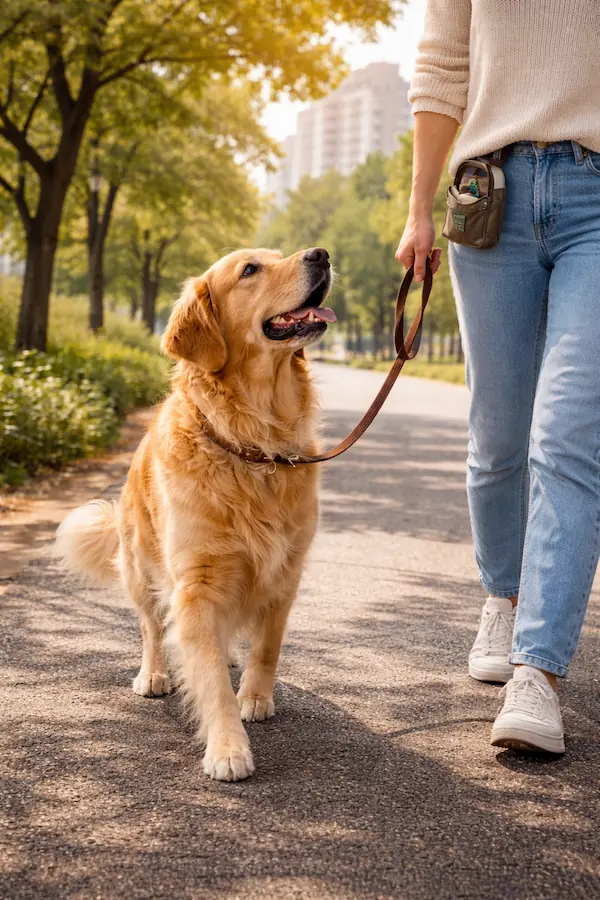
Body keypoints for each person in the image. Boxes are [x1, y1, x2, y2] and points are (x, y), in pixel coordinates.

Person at [396, 0, 600, 754]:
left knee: (568, 434)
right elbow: (443, 67)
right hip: (491, 195)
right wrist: (418, 205)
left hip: (597, 198)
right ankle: (503, 596)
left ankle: (537, 673)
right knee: (497, 436)